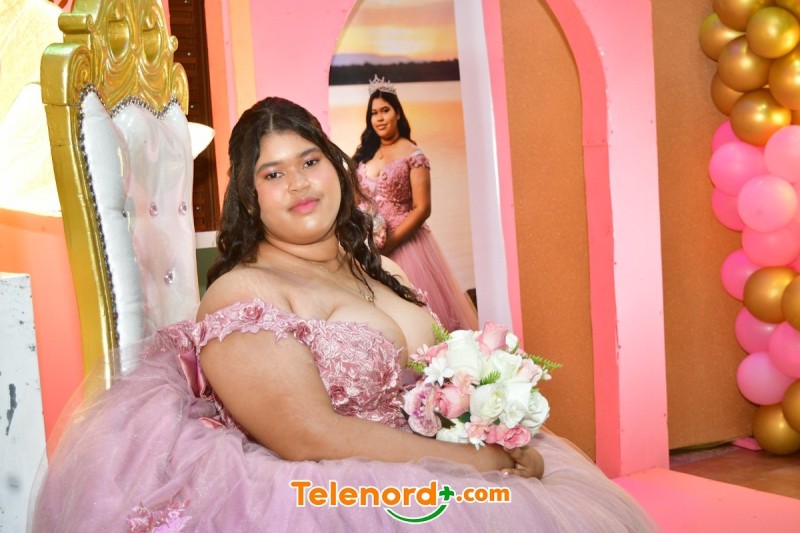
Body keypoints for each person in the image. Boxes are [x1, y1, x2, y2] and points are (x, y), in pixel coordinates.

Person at [31, 97, 659, 532]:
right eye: (273, 174)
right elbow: (306, 436)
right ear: (249, 199)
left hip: (434, 465)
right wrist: (480, 466)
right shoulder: (244, 295)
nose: (299, 183)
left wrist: (492, 426)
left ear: (335, 166)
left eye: (309, 161)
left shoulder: (379, 269)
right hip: (332, 498)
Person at [353, 76, 479, 332]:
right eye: (374, 113)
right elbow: (357, 200)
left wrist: (390, 243)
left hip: (406, 244)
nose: (379, 118)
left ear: (398, 113)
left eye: (385, 110)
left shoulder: (413, 154)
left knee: (420, 316)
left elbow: (422, 209)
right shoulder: (366, 154)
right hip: (370, 247)